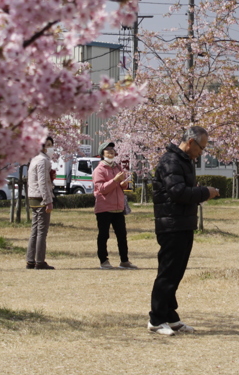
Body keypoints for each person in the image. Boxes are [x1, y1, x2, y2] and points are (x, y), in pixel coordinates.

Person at [147, 125, 219, 335]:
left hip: (182, 223)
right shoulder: (171, 161)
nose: (201, 152)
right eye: (201, 147)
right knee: (168, 272)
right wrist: (206, 192)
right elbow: (177, 192)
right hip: (171, 225)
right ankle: (156, 319)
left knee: (176, 272)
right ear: (190, 142)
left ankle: (170, 315)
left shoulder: (184, 161)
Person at [93, 141, 136, 270]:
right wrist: (115, 180)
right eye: (108, 150)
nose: (111, 151)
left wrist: (124, 184)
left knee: (122, 235)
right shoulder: (99, 169)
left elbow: (122, 185)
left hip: (118, 207)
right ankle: (104, 261)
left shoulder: (117, 167)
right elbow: (101, 189)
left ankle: (124, 261)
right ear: (102, 153)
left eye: (112, 149)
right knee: (104, 235)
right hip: (104, 207)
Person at [26, 136, 56, 270]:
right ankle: (39, 261)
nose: (49, 147)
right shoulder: (43, 160)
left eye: (51, 145)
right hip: (40, 198)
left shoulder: (34, 159)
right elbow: (42, 182)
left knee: (35, 230)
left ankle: (30, 260)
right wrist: (48, 200)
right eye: (47, 145)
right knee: (41, 231)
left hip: (33, 196)